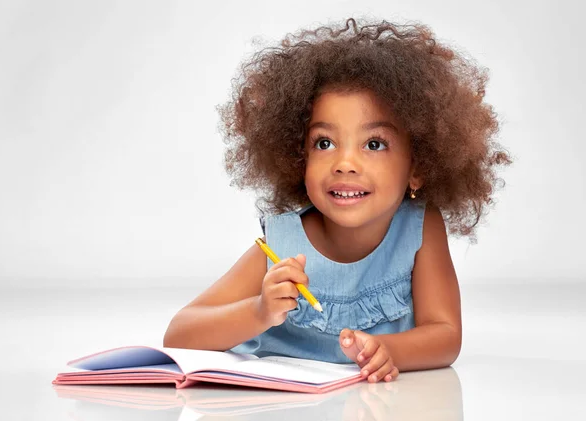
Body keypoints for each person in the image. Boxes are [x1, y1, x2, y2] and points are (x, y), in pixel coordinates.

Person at [164, 17, 511, 383]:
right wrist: (259, 311)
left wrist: (390, 352)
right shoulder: (284, 246)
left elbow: (445, 335)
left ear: (417, 167)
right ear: (300, 158)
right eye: (324, 143)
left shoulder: (419, 227)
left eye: (374, 144)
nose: (345, 164)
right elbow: (179, 334)